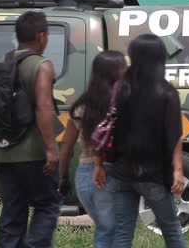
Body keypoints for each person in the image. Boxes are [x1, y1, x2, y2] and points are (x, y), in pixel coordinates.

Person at [93, 34, 186, 248]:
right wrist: (178, 171)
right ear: (160, 58)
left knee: (123, 234)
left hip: (120, 172)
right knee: (171, 231)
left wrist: (99, 165)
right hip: (153, 175)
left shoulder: (120, 89)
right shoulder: (167, 93)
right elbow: (174, 135)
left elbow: (107, 127)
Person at [0, 11, 60, 248]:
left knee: (13, 211)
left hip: (4, 153)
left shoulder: (4, 63)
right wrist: (51, 150)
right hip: (34, 154)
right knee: (47, 205)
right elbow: (43, 108)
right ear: (42, 36)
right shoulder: (42, 65)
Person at [58, 51, 127, 248]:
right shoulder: (123, 102)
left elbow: (66, 147)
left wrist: (62, 178)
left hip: (85, 176)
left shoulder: (82, 106)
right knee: (114, 232)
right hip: (112, 172)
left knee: (104, 229)